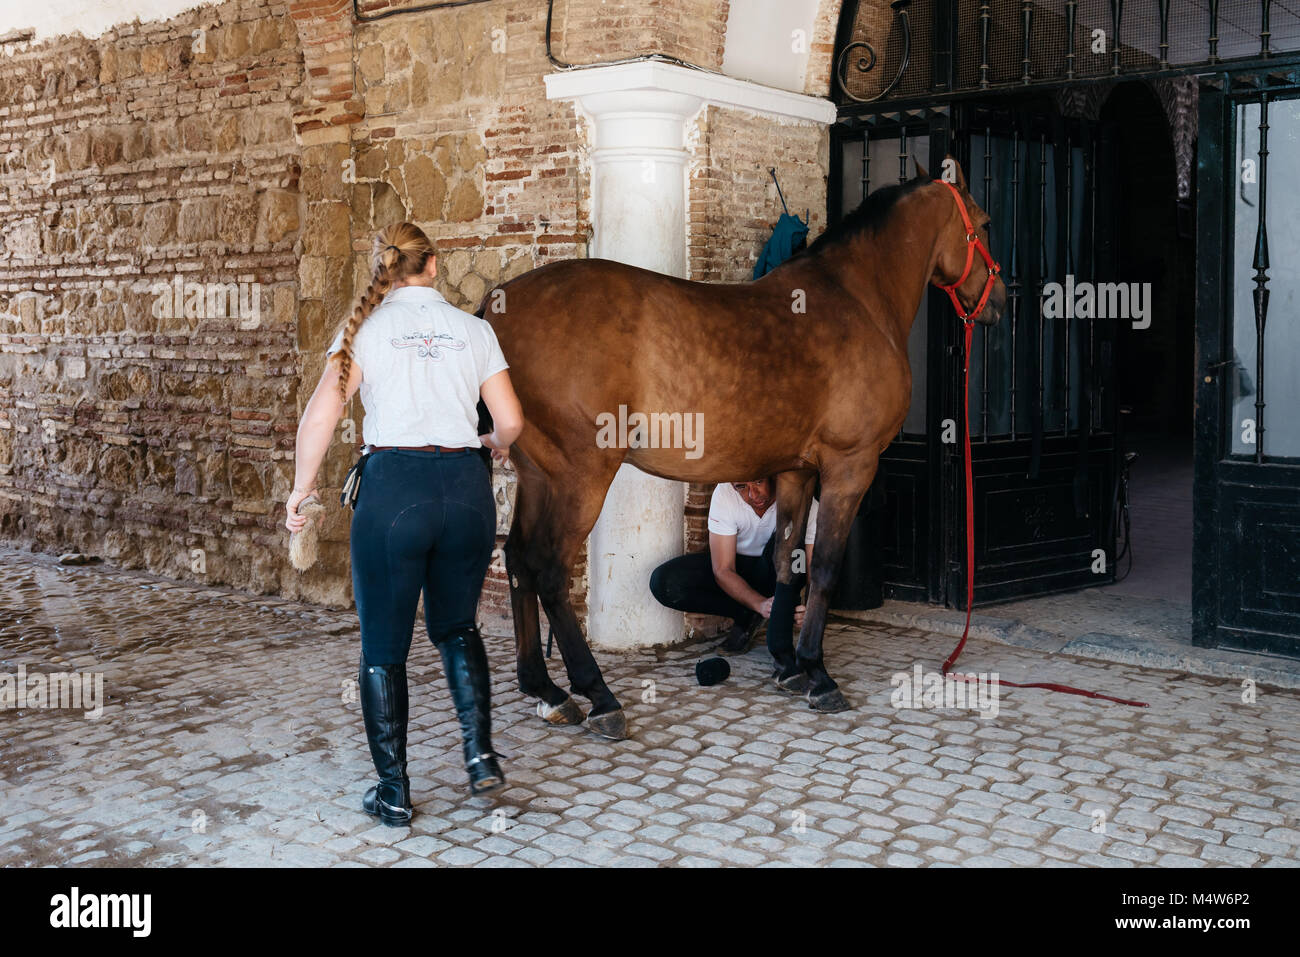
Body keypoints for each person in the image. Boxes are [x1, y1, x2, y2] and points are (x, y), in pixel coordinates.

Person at [285, 222, 523, 826]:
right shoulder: (475, 331)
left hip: (394, 495)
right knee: (456, 627)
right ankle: (480, 756)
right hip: (467, 493)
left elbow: (320, 418)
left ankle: (393, 793)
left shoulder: (364, 330)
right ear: (434, 265)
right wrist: (489, 441)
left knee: (384, 649)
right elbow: (511, 421)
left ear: (383, 268)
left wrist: (301, 490)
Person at [649, 478, 817, 653]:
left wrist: (811, 610)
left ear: (772, 475)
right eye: (742, 487)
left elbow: (813, 567)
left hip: (780, 570)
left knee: (790, 540)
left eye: (759, 482)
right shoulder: (724, 494)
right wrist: (759, 604)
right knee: (664, 582)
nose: (753, 494)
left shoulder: (801, 498)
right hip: (738, 570)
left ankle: (780, 610)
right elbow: (723, 569)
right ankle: (748, 614)